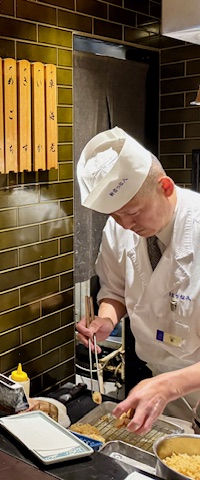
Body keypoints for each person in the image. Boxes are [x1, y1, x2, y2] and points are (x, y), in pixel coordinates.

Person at [75, 127, 200, 434]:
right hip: (161, 388)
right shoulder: (120, 227)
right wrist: (106, 319)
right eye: (115, 216)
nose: (125, 225)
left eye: (133, 212)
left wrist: (169, 385)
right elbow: (115, 289)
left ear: (165, 187)